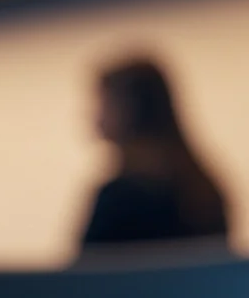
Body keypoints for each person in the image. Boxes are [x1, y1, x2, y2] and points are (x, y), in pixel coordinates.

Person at [80, 56, 229, 249]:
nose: (95, 116)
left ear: (129, 109)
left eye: (104, 103)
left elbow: (88, 266)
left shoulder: (118, 200)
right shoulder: (203, 191)